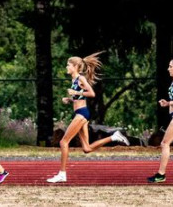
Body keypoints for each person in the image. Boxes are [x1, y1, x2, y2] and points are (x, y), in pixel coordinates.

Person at [47, 52, 130, 184]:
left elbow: (91, 93)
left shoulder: (80, 78)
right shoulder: (74, 80)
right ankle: (114, 137)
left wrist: (76, 92)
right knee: (86, 148)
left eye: (68, 65)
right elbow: (80, 97)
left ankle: (62, 174)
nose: (66, 67)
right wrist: (70, 99)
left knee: (63, 142)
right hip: (80, 113)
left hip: (82, 114)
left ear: (75, 66)